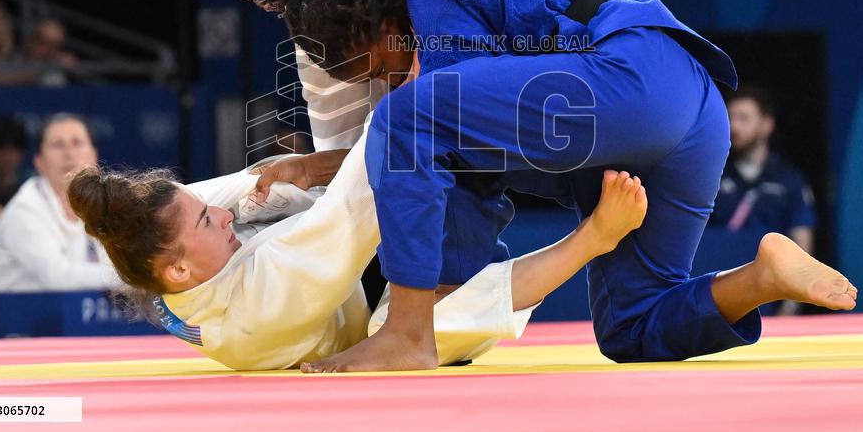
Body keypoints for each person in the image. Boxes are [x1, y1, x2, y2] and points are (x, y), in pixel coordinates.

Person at [235, 0, 858, 372]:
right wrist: (323, 165)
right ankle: (761, 276)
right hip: (685, 118)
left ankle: (407, 335)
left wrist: (430, 296)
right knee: (631, 328)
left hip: (632, 77)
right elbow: (452, 146)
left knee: (410, 120)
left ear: (383, 19)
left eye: (384, 64)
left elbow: (438, 149)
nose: (395, 76)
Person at [67, 135, 648, 371]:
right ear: (178, 269)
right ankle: (595, 237)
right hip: (398, 290)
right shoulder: (257, 307)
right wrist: (418, 96)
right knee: (423, 321)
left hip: (351, 250)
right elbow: (350, 207)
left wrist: (298, 168)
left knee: (277, 178)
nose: (219, 214)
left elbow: (248, 186)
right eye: (204, 220)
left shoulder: (172, 260)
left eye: (204, 206)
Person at [692, 85, 817, 316]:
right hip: (716, 301)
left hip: (771, 301)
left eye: (744, 118)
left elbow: (801, 237)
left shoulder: (789, 180)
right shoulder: (710, 175)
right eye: (730, 117)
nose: (734, 126)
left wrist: (791, 305)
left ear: (766, 125)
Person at [0, 114, 120, 292]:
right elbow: (58, 278)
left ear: (93, 156)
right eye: (57, 145)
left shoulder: (104, 207)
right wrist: (131, 278)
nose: (69, 154)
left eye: (77, 143)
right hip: (17, 317)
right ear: (39, 163)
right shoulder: (23, 211)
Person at [0, 114, 30, 206]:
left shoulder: (32, 189)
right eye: (0, 147)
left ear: (23, 153)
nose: (7, 155)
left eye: (13, 148)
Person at [21, 18, 78, 86]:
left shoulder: (60, 73)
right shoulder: (12, 61)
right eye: (44, 43)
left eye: (55, 46)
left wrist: (74, 70)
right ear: (30, 42)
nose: (49, 51)